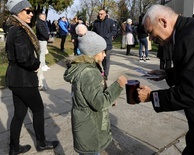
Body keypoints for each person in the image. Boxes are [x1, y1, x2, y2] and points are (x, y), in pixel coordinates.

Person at [138, 4, 194, 155]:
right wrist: (168, 74)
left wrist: (152, 97)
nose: (151, 38)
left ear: (163, 22)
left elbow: (190, 93)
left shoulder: (190, 38)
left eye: (151, 32)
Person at [64, 24, 127, 155]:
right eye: (102, 51)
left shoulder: (88, 67)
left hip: (86, 125)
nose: (105, 54)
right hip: (89, 129)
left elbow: (93, 94)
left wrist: (110, 96)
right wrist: (118, 86)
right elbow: (99, 103)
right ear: (93, 52)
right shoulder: (88, 73)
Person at [5, 0, 59, 154]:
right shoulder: (19, 31)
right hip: (23, 79)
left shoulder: (15, 29)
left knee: (19, 114)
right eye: (27, 11)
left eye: (31, 11)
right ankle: (41, 143)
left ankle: (14, 148)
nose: (31, 14)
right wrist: (36, 65)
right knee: (38, 109)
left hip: (16, 79)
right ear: (18, 12)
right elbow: (23, 59)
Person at [92, 9, 117, 80]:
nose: (100, 15)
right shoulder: (96, 23)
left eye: (101, 14)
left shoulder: (110, 21)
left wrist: (108, 36)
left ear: (105, 14)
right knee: (101, 59)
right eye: (99, 14)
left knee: (107, 59)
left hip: (107, 43)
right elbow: (94, 32)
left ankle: (106, 75)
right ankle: (102, 71)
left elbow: (114, 31)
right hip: (99, 44)